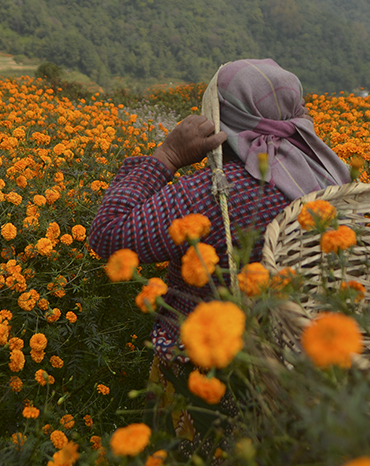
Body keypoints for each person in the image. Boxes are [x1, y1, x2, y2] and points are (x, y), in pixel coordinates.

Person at [89, 58, 351, 362]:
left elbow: (108, 233)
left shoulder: (218, 194)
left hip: (212, 359)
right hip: (305, 354)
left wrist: (168, 155)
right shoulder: (329, 174)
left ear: (223, 118)